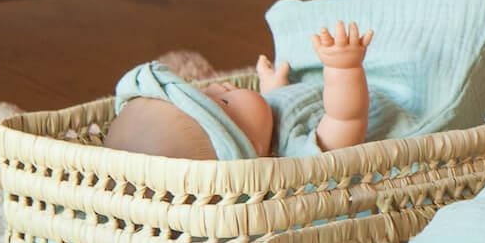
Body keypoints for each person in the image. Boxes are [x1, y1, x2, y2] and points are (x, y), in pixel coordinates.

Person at [103, 22, 374, 160]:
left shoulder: (261, 126)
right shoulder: (297, 155)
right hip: (378, 105)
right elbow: (346, 117)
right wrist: (344, 68)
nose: (216, 85)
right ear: (253, 147)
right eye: (224, 101)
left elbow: (271, 115)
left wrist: (276, 91)